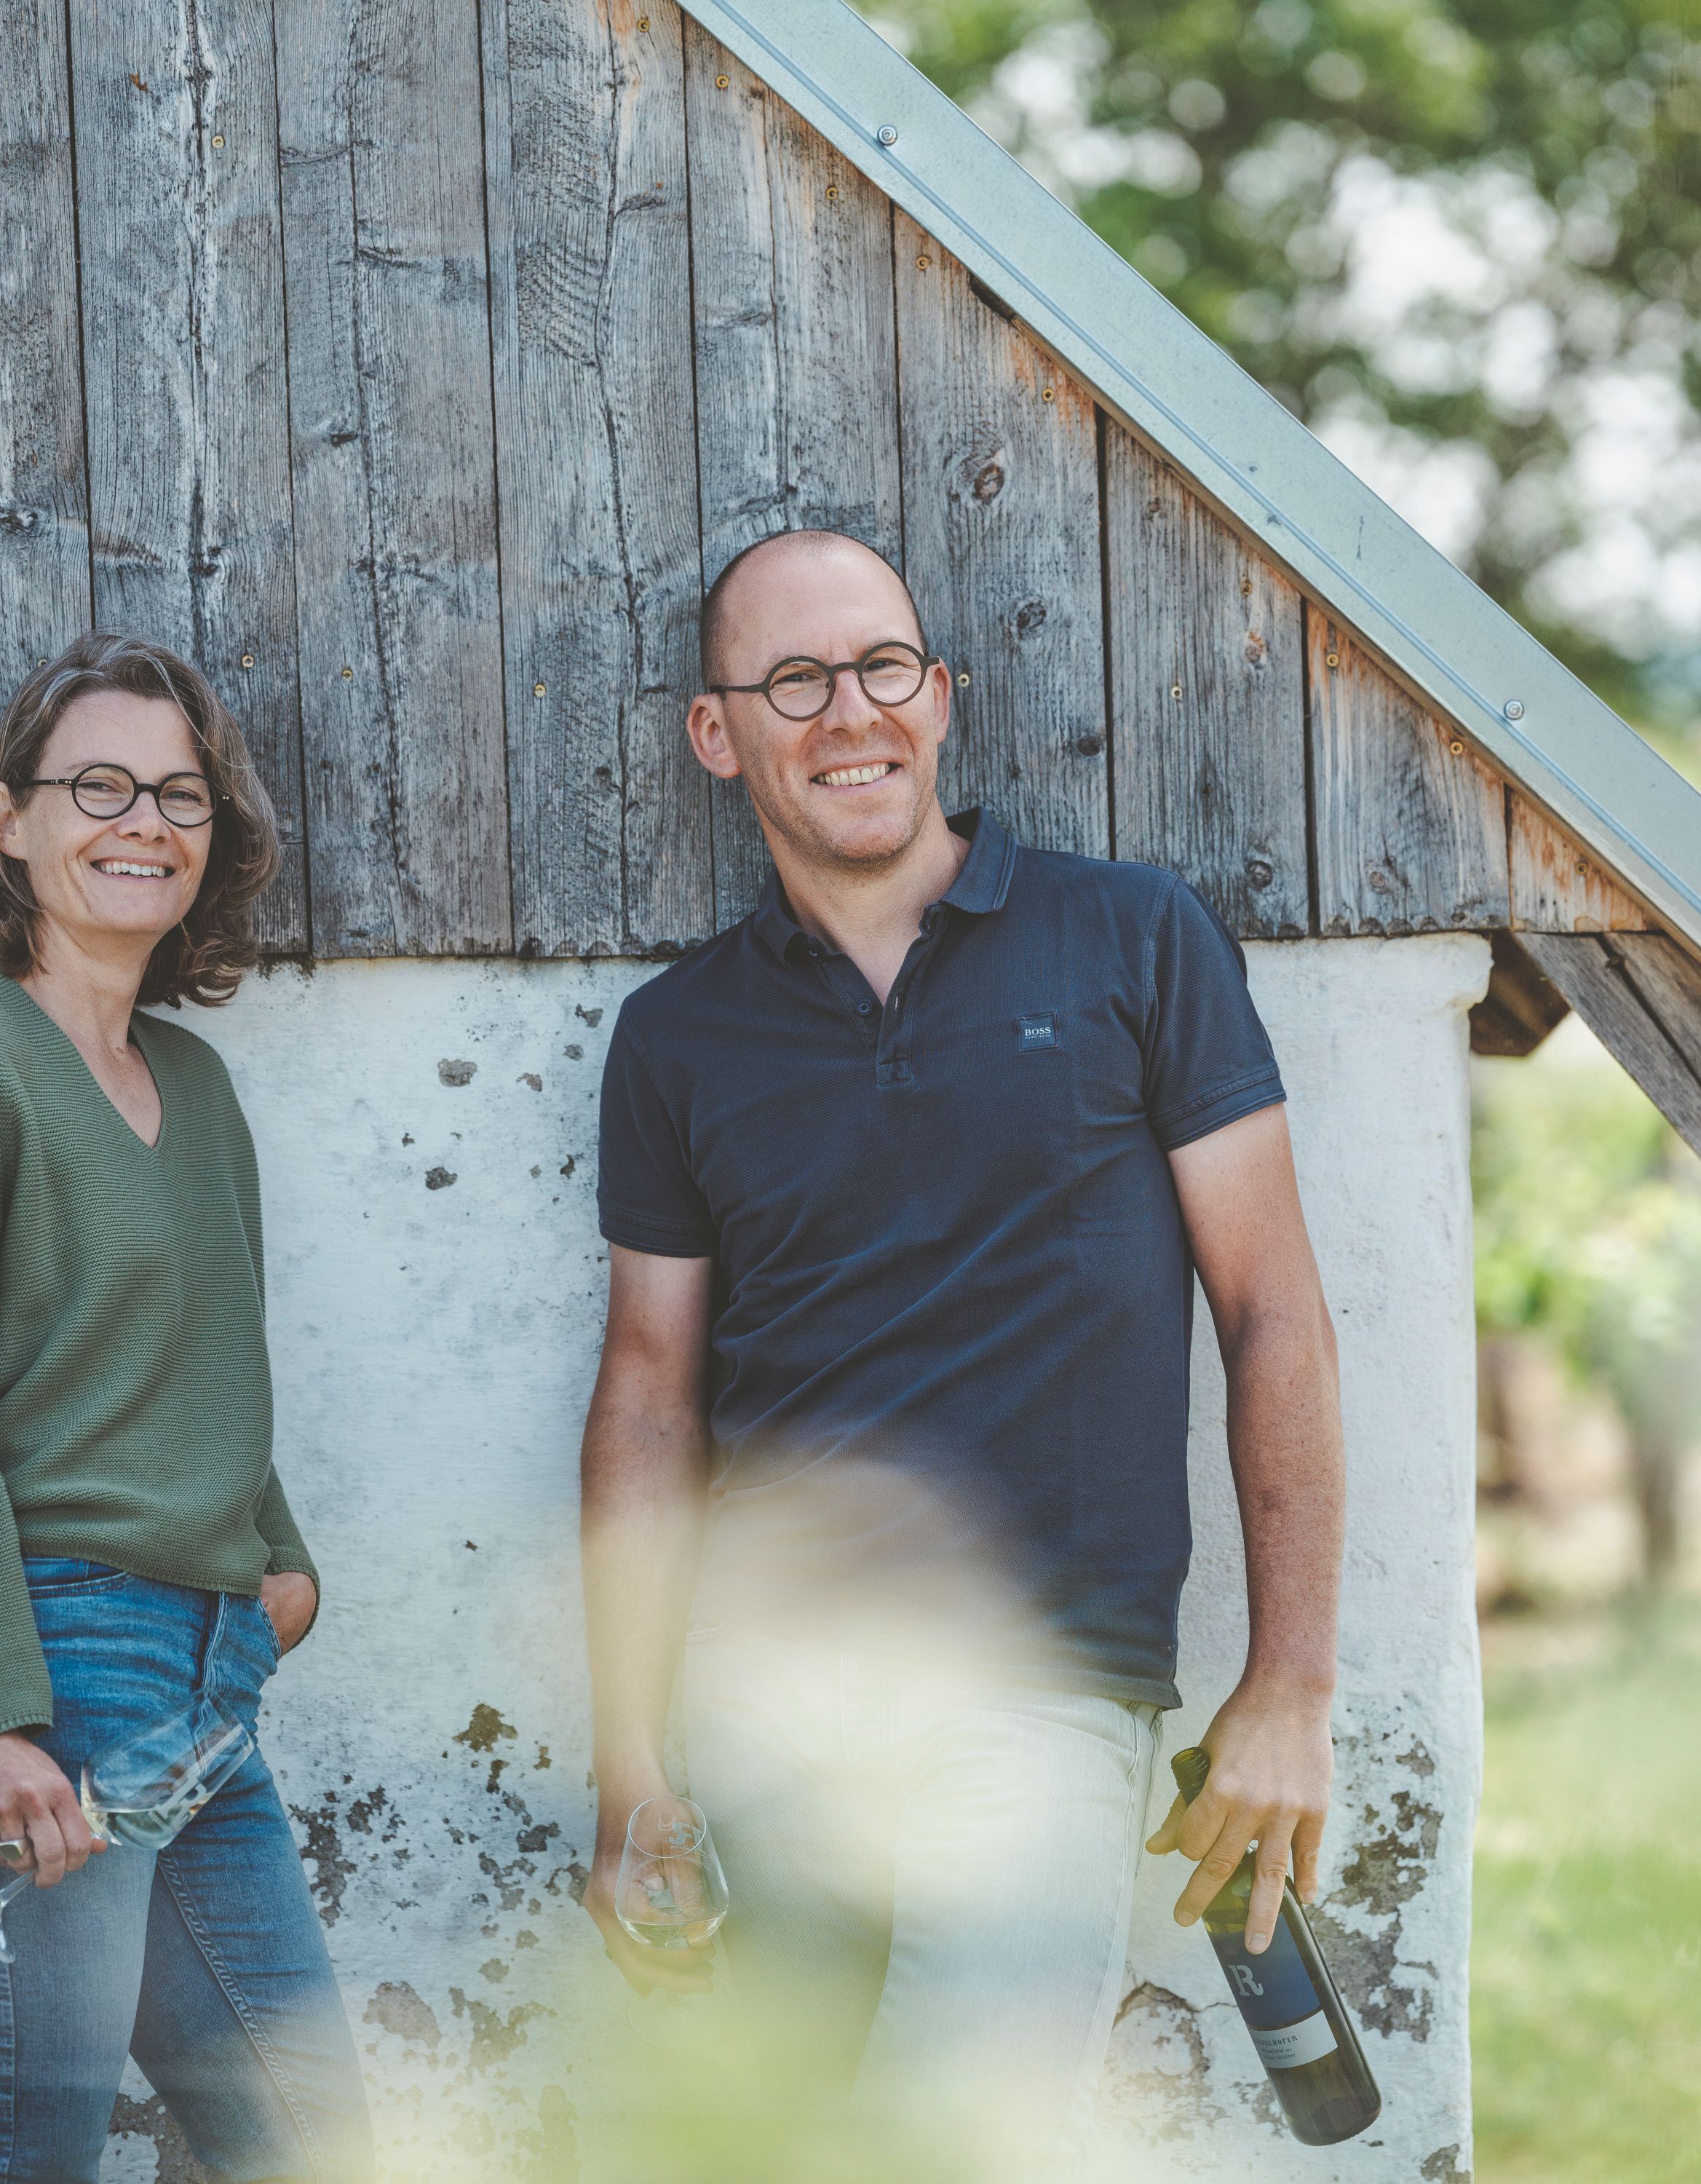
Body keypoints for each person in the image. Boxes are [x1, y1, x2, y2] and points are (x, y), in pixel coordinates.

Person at [578, 530, 1347, 2166]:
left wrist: (1289, 1685)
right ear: (717, 733)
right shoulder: (673, 1038)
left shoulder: (1134, 942)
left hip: (1042, 1687)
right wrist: (631, 1763)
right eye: (791, 679)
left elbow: (1271, 1308)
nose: (844, 712)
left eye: (876, 668)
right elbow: (647, 1393)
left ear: (938, 697)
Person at [0, 632, 373, 2182]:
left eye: (179, 794)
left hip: (205, 1682)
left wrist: (277, 1557)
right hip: (43, 1665)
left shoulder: (193, 1087)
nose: (144, 822)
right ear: (12, 821)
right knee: (22, 2155)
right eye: (99, 787)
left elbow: (211, 1358)